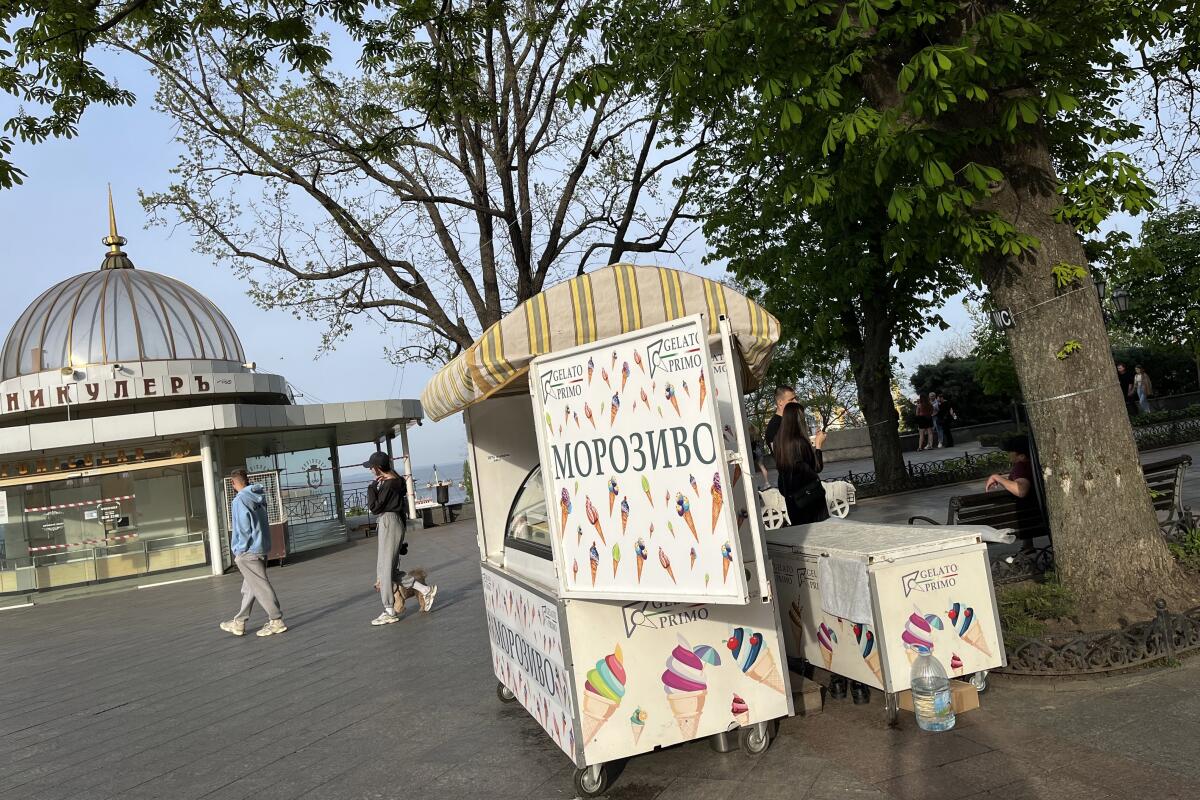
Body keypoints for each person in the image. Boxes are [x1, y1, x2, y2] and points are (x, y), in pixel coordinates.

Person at [365, 452, 437, 625]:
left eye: (371, 468)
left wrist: (371, 488)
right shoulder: (395, 482)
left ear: (378, 468)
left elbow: (374, 508)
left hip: (389, 522)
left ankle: (389, 609)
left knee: (385, 569)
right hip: (392, 522)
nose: (370, 471)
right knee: (388, 569)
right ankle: (425, 590)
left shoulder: (388, 485)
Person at [220, 468, 287, 637]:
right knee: (251, 586)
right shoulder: (258, 497)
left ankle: (276, 620)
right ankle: (239, 622)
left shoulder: (239, 500)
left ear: (233, 483)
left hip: (248, 550)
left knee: (260, 586)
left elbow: (243, 527)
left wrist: (239, 550)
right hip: (261, 546)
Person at [773, 402, 829, 525]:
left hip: (792, 500)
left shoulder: (778, 441)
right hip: (810, 497)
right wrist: (818, 445)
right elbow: (817, 467)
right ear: (799, 420)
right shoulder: (800, 442)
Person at [985, 435, 1037, 553]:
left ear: (1022, 456)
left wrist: (996, 477)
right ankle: (1027, 545)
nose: (1008, 454)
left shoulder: (1021, 466)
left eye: (1010, 452)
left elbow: (1021, 490)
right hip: (1036, 520)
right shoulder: (1034, 464)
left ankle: (1027, 545)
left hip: (1023, 523)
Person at [764, 385, 797, 455]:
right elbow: (781, 456)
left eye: (795, 398)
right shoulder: (774, 427)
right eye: (791, 399)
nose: (796, 402)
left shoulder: (789, 421)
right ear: (780, 402)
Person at [749, 424, 771, 488]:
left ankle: (755, 486)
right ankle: (767, 482)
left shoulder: (750, 436)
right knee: (762, 467)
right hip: (760, 452)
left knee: (751, 469)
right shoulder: (758, 436)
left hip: (753, 453)